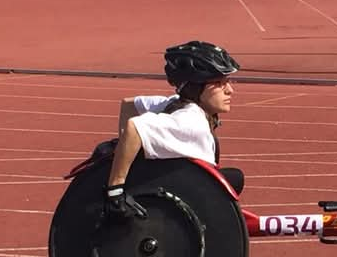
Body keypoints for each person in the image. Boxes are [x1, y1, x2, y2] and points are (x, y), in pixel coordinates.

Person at [105, 41, 244, 219]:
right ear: (195, 87)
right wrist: (116, 190)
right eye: (219, 83)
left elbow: (129, 105)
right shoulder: (191, 120)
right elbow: (134, 127)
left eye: (228, 82)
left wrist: (126, 156)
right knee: (233, 180)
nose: (230, 90)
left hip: (184, 183)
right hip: (186, 199)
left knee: (234, 178)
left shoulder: (175, 103)